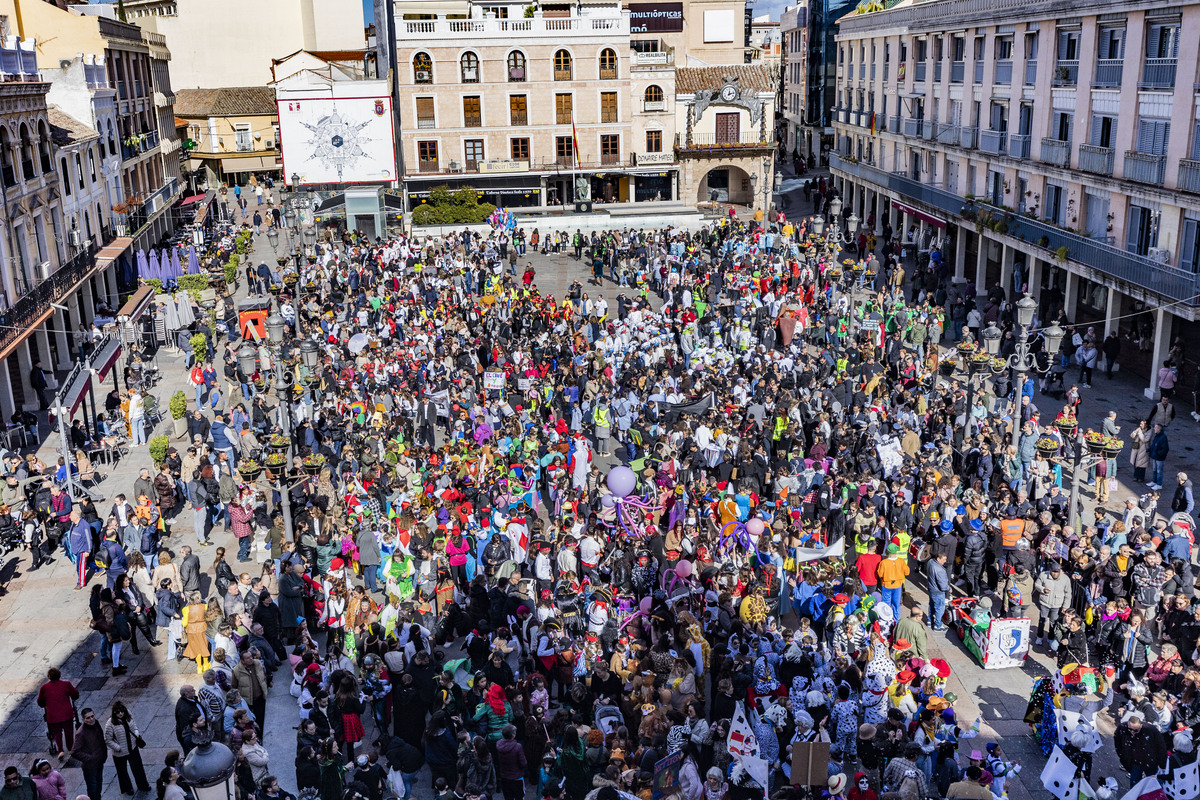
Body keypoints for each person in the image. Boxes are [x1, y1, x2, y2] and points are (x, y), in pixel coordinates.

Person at [103, 701, 151, 795]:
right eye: (117, 712)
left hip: (132, 747)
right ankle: (128, 788)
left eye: (122, 711)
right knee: (122, 771)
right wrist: (118, 748)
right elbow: (108, 740)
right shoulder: (110, 724)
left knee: (138, 768)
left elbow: (134, 724)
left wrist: (136, 732)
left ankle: (143, 785)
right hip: (120, 752)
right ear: (114, 713)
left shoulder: (128, 715)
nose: (120, 713)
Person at [36, 668, 79, 760]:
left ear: (49, 677)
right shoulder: (66, 684)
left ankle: (60, 750)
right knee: (69, 731)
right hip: (66, 714)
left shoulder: (44, 688)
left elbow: (40, 702)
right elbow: (75, 694)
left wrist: (45, 704)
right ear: (59, 675)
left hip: (53, 716)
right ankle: (70, 748)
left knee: (56, 732)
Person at [70, 708, 107, 800]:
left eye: (92, 716)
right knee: (93, 789)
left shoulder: (96, 724)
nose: (91, 719)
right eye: (88, 718)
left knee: (98, 786)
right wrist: (91, 758)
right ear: (83, 719)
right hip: (90, 766)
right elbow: (74, 752)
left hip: (99, 762)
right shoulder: (81, 733)